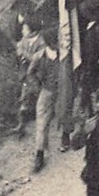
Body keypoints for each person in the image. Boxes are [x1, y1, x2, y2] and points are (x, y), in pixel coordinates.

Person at [26, 27, 60, 173]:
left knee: (66, 113)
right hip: (47, 91)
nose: (57, 43)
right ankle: (39, 154)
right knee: (41, 122)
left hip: (63, 90)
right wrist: (38, 87)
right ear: (48, 43)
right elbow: (30, 73)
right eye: (55, 41)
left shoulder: (64, 53)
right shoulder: (39, 57)